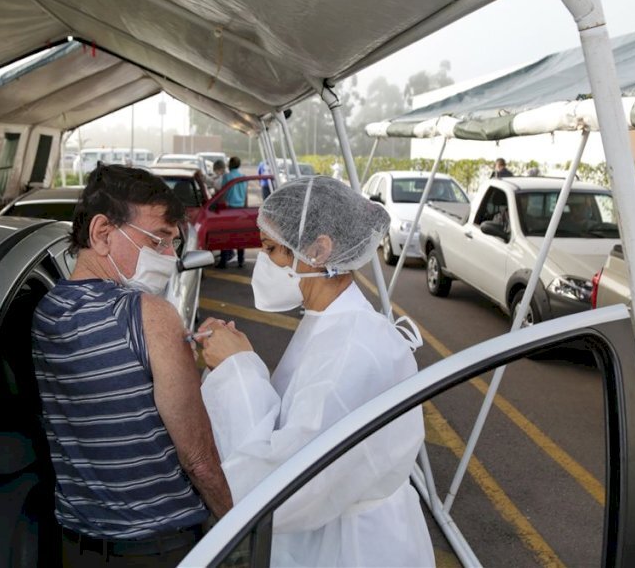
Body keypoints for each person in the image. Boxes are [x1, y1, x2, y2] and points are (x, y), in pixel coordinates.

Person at [196, 176, 433, 566]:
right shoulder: (331, 321)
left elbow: (287, 481)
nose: (263, 262)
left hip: (355, 549)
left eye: (271, 249)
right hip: (335, 534)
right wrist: (241, 357)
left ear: (319, 249)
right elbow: (300, 421)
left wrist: (238, 367)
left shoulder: (353, 348)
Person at [31, 164, 232, 567]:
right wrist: (241, 524)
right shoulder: (150, 314)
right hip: (159, 546)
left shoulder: (46, 311)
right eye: (158, 241)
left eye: (173, 244)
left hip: (77, 545)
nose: (169, 258)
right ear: (103, 233)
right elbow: (197, 458)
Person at [216, 157, 247, 268]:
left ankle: (224, 261)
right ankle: (241, 260)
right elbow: (245, 194)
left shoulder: (227, 176)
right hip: (241, 209)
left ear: (230, 165)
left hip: (229, 210)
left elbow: (222, 193)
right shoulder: (243, 177)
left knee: (226, 235)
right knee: (240, 235)